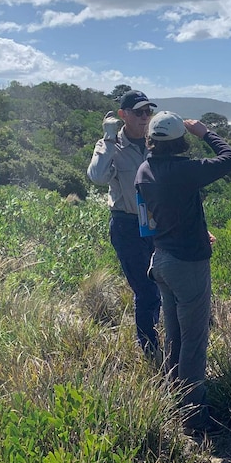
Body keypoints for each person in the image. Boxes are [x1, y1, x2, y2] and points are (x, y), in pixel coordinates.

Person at [135, 111, 231, 434]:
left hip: (162, 259)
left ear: (151, 139)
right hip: (187, 265)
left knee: (175, 337)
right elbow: (230, 159)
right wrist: (206, 133)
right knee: (194, 341)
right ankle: (194, 417)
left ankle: (173, 398)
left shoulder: (144, 170)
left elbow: (148, 222)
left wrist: (188, 232)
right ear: (180, 140)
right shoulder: (184, 170)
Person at [87, 90, 162, 357]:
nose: (145, 117)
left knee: (163, 284)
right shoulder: (110, 146)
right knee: (146, 288)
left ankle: (158, 334)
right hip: (127, 226)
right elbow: (96, 176)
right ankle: (149, 347)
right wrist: (108, 137)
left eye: (147, 112)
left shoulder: (157, 143)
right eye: (138, 112)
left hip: (158, 225)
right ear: (123, 115)